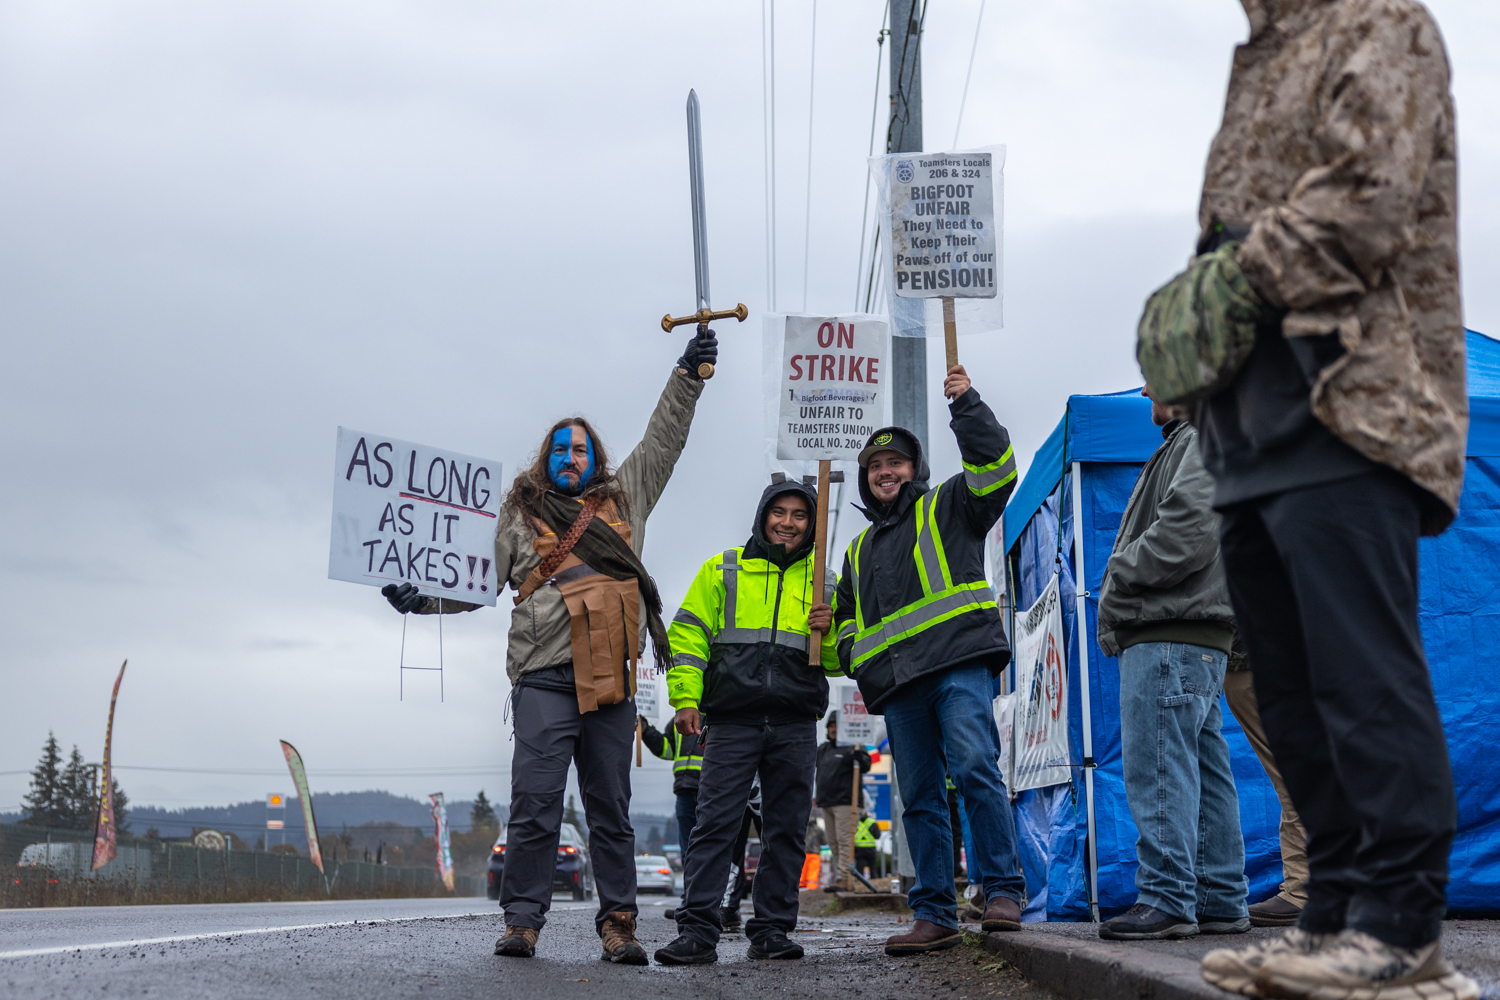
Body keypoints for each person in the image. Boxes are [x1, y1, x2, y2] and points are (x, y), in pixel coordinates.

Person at [1148, 4, 1477, 998]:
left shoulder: (1379, 22)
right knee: (1290, 693)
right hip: (1251, 430)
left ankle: (1401, 926)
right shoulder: (1265, 52)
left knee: (1360, 679)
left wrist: (1224, 278)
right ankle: (1334, 914)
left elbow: (1364, 199)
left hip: (1354, 404)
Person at [380, 329, 719, 965]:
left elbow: (665, 438)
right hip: (541, 679)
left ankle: (619, 925)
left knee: (610, 811)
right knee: (534, 806)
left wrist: (687, 375)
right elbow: (474, 581)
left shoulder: (628, 498)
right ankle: (523, 924)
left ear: (596, 461)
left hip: (610, 684)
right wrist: (424, 598)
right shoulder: (518, 515)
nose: (570, 457)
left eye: (581, 449)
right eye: (560, 449)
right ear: (546, 458)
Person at [832, 364, 1026, 956]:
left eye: (896, 463)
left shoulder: (950, 505)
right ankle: (935, 912)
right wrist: (849, 651)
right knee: (918, 796)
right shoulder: (858, 549)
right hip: (901, 686)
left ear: (913, 470)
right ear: (867, 480)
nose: (886, 472)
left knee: (973, 769)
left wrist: (965, 404)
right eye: (875, 467)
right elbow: (846, 620)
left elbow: (997, 470)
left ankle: (1003, 891)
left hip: (958, 665)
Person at [653, 479, 840, 965]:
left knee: (786, 831)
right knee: (715, 825)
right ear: (762, 516)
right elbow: (688, 637)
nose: (788, 522)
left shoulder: (828, 581)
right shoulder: (723, 568)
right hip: (731, 720)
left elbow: (843, 659)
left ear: (812, 524)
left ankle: (772, 931)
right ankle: (698, 930)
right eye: (779, 512)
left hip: (796, 722)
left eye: (800, 515)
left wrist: (831, 629)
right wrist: (685, 699)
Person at [1095, 385, 1248, 941]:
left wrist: (1118, 571)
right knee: (1201, 768)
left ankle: (1167, 898)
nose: (1144, 389)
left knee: (1159, 762)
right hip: (1193, 632)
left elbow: (1187, 532)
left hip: (1169, 631)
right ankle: (1219, 899)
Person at [1222, 639, 1308, 928]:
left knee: (1299, 776)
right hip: (1263, 661)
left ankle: (1305, 890)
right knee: (1302, 773)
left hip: (1260, 662)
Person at [814, 712, 871, 892]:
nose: (833, 729)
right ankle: (841, 877)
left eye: (837, 726)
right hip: (827, 802)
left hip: (846, 802)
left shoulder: (853, 747)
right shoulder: (823, 749)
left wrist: (858, 755)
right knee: (833, 843)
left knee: (844, 840)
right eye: (831, 726)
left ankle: (844, 878)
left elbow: (866, 765)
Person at [638, 715, 703, 855]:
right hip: (685, 791)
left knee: (708, 846)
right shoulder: (680, 719)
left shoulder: (717, 716)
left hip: (710, 791)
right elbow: (666, 749)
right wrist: (645, 729)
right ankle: (691, 877)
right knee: (688, 849)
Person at [854, 812, 880, 880]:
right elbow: (877, 836)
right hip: (870, 848)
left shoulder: (855, 823)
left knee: (859, 868)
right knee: (873, 867)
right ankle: (874, 882)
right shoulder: (872, 822)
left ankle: (860, 882)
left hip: (858, 848)